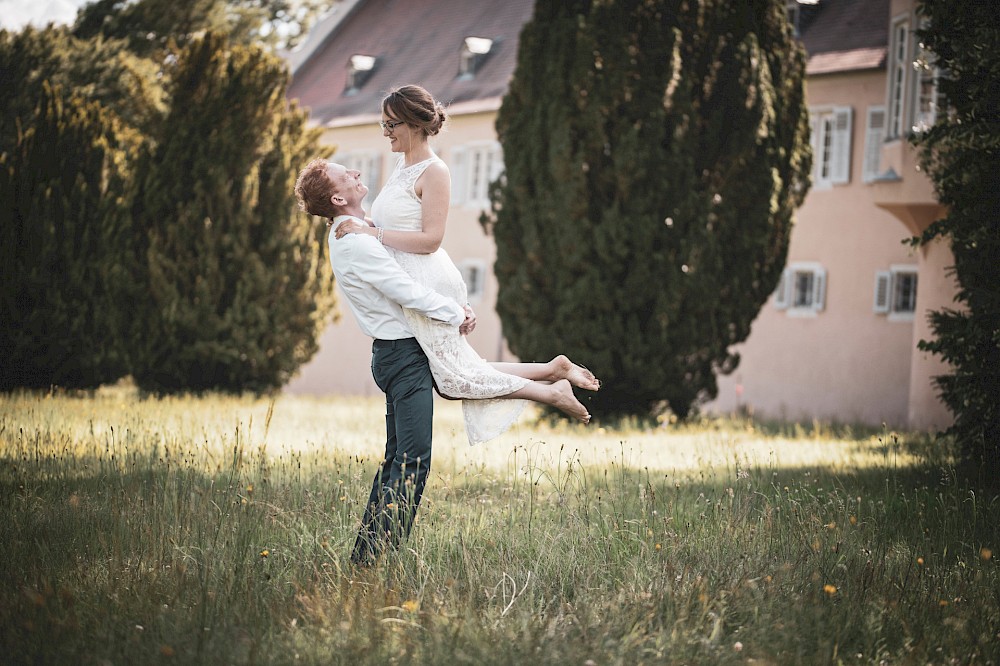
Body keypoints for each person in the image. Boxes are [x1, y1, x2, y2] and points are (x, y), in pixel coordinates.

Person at [333, 85, 598, 443]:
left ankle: (551, 391)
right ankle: (553, 370)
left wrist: (372, 234)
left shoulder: (435, 171)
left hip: (428, 277)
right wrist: (368, 229)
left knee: (455, 378)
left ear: (412, 123)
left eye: (390, 124)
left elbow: (431, 240)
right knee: (457, 371)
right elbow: (394, 226)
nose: (385, 133)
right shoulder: (401, 165)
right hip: (414, 278)